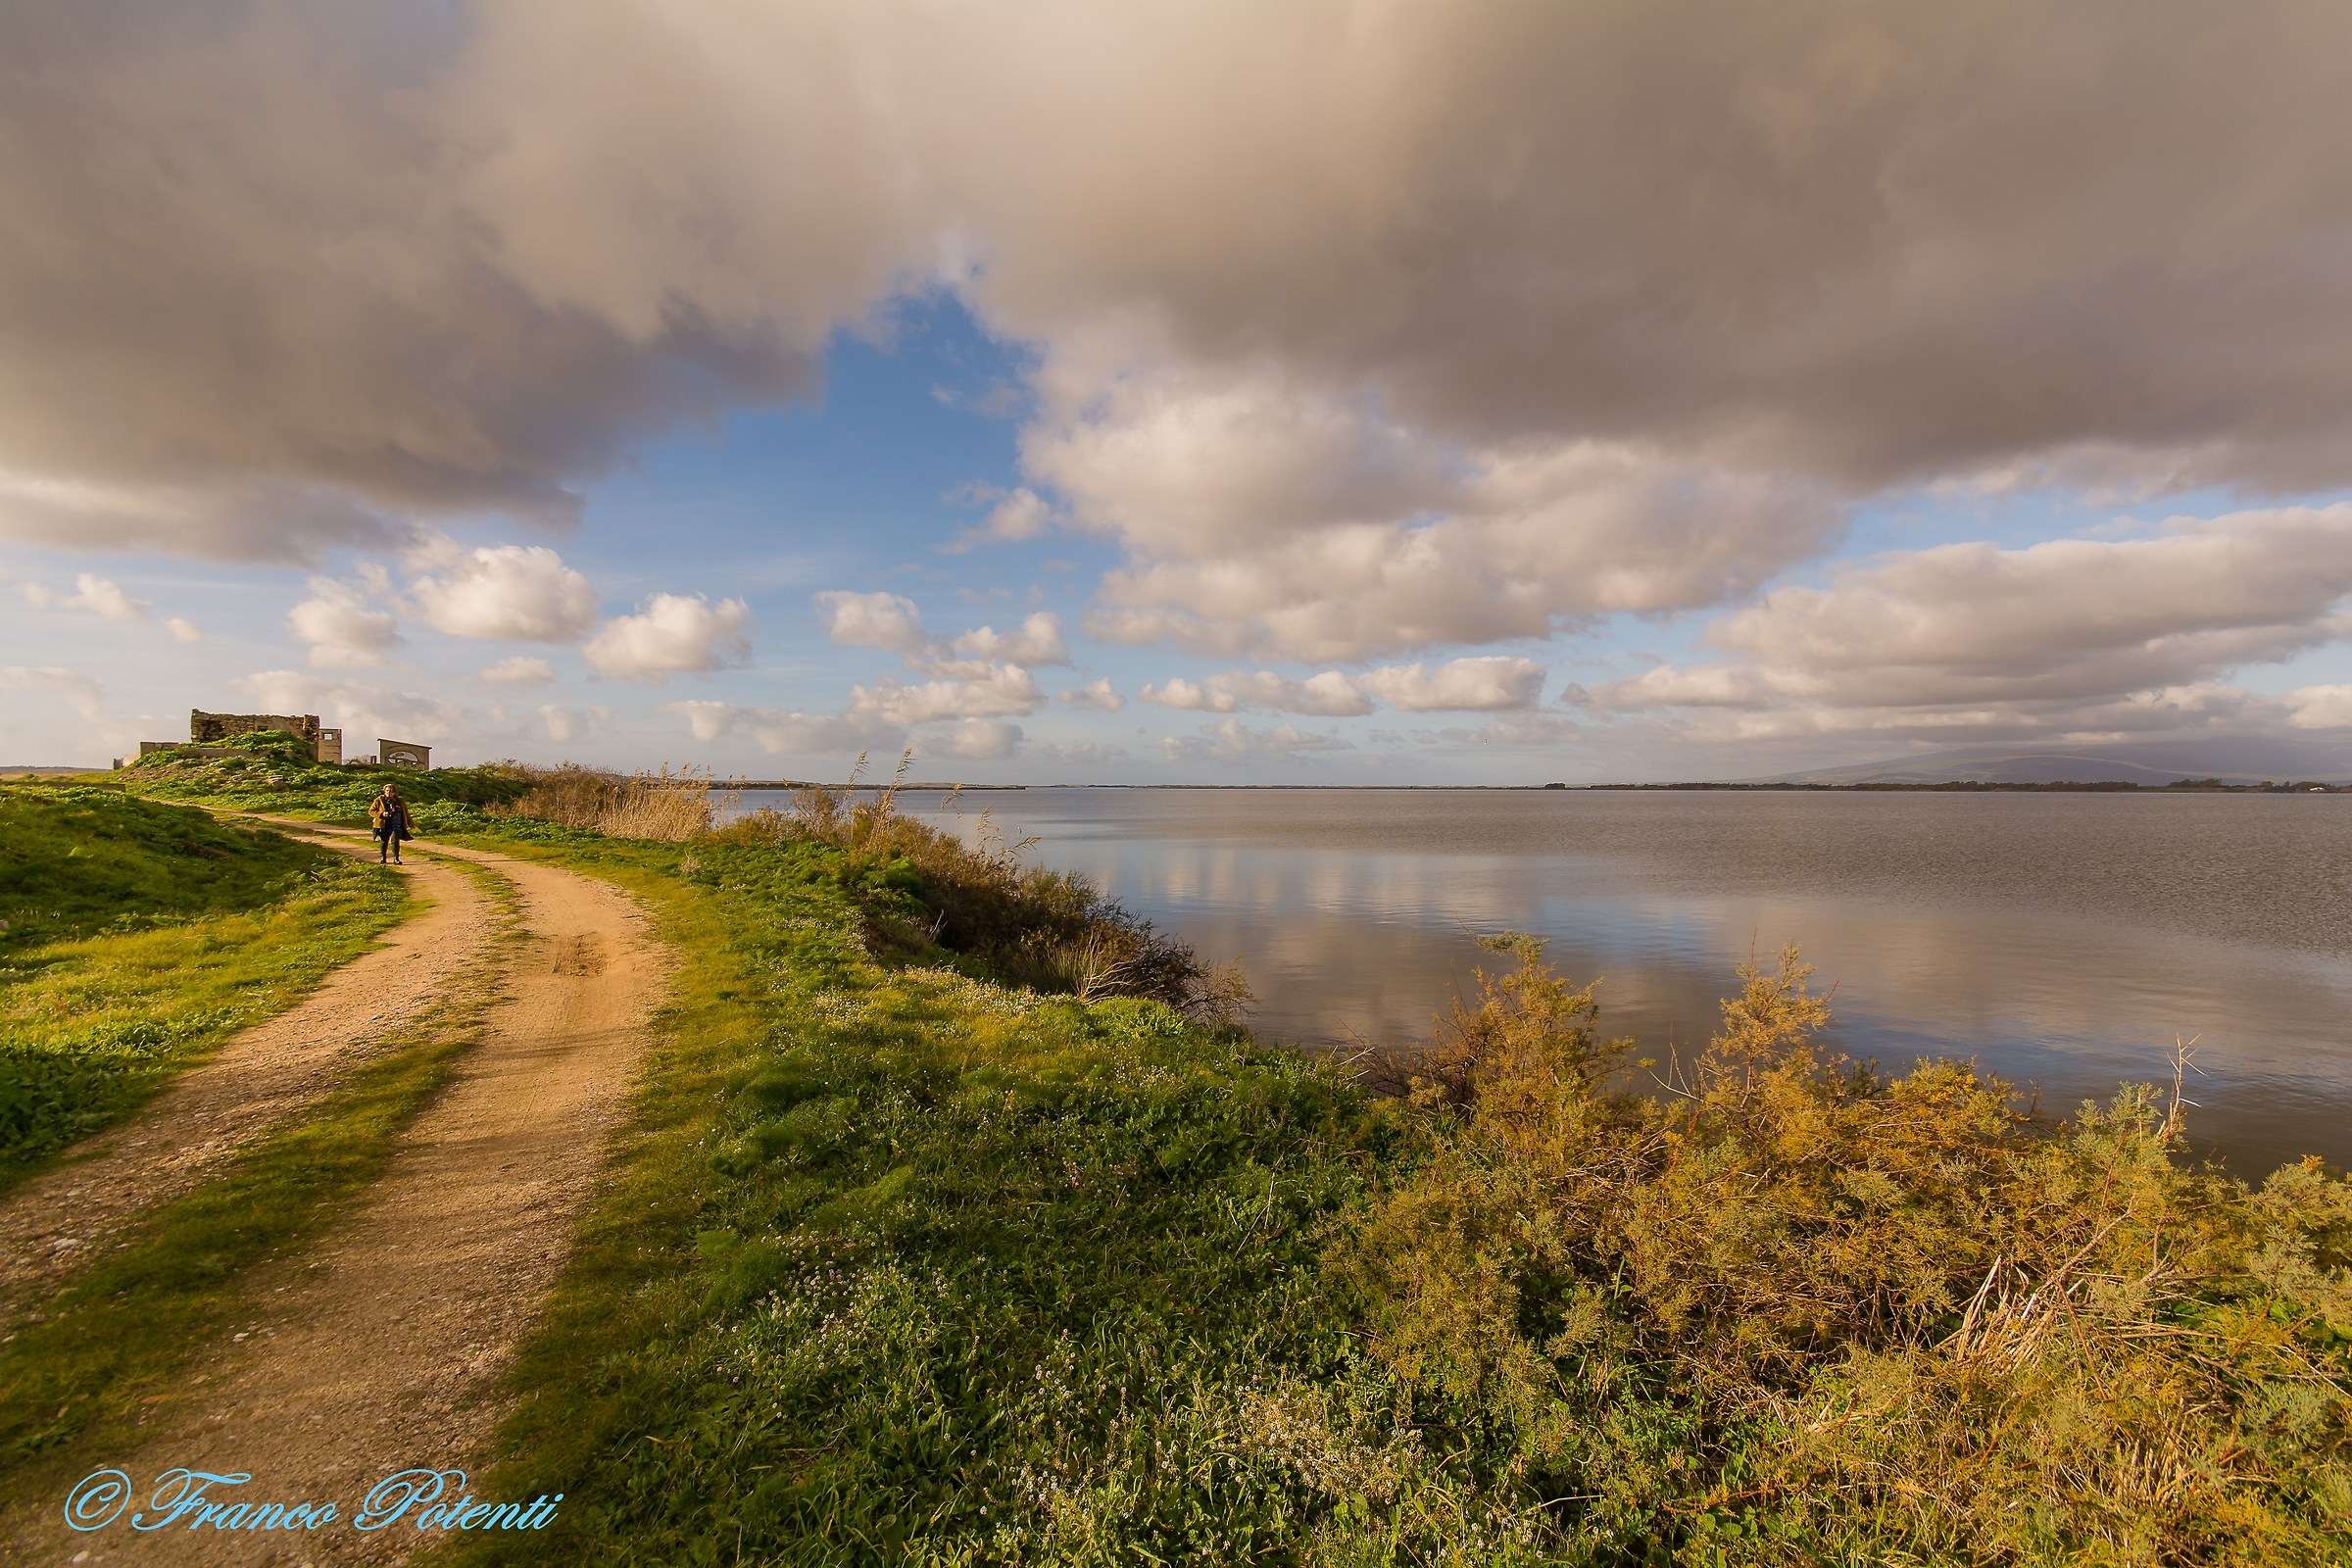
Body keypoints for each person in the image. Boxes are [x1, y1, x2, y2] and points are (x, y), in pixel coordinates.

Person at [368, 781, 413, 864]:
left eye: (391, 791)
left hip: (396, 824)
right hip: (384, 824)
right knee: (384, 841)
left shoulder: (400, 801)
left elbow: (405, 812)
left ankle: (396, 859)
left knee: (395, 841)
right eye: (387, 790)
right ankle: (383, 858)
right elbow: (371, 811)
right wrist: (381, 814)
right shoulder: (379, 800)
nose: (389, 792)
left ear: (394, 792)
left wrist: (410, 823)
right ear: (384, 791)